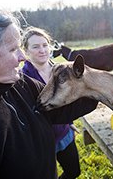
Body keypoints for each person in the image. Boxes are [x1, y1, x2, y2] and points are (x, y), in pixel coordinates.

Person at [0, 1, 113, 179]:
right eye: (13, 49)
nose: (22, 57)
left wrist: (107, 82)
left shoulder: (21, 84)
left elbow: (62, 109)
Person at [21, 26, 80, 179]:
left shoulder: (61, 70)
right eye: (35, 47)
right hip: (41, 142)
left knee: (74, 172)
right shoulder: (22, 78)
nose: (42, 50)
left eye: (45, 45)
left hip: (65, 133)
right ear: (26, 51)